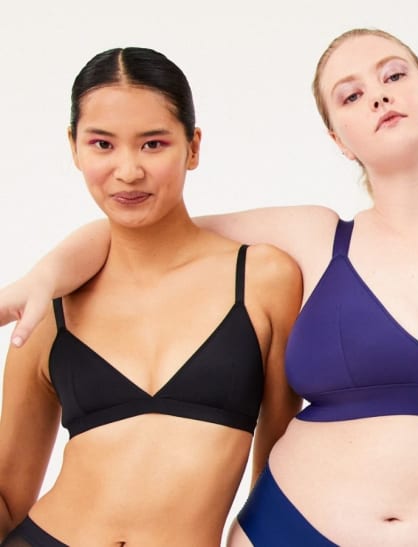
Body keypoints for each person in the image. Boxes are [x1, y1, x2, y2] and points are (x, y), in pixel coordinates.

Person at [0, 29, 418, 545]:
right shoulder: (313, 236)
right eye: (351, 95)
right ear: (338, 138)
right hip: (291, 528)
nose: (378, 97)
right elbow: (147, 226)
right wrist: (41, 277)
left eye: (393, 76)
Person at [0, 47, 302, 546]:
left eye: (153, 144)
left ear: (193, 146)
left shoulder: (263, 279)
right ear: (74, 147)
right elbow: (9, 495)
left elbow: (277, 473)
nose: (128, 170)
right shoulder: (49, 305)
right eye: (102, 144)